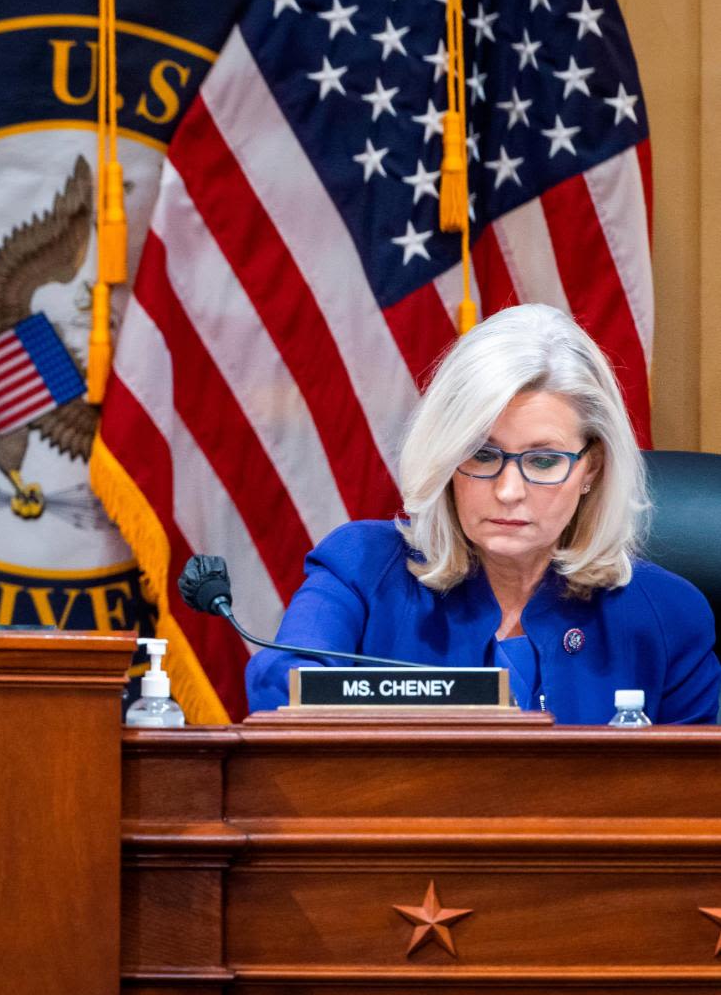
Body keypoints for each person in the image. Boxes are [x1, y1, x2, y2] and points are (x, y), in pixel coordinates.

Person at [246, 303, 719, 724]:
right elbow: (282, 692)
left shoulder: (666, 614)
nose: (509, 490)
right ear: (447, 458)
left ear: (591, 468)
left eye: (543, 460)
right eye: (482, 454)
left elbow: (693, 796)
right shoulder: (361, 569)